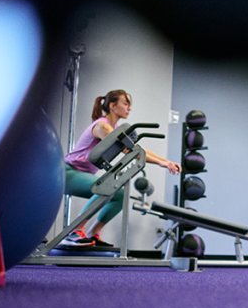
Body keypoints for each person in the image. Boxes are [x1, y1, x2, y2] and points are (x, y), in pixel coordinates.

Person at [60, 89, 181, 247]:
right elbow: (130, 150)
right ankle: (74, 231)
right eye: (125, 103)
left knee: (121, 194)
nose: (129, 108)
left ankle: (93, 233)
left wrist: (166, 161)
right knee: (109, 188)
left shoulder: (115, 128)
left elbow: (136, 148)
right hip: (67, 173)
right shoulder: (102, 127)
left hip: (79, 173)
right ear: (112, 105)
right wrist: (162, 163)